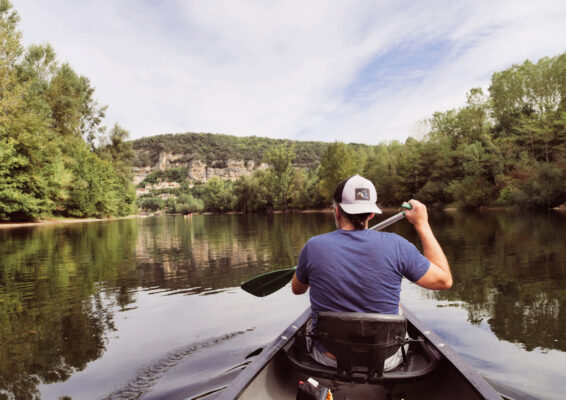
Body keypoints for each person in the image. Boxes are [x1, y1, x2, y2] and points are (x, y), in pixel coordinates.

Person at [291, 174, 452, 369]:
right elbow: (444, 281)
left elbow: (297, 290)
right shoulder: (398, 245)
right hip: (386, 360)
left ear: (336, 211)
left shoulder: (314, 246)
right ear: (372, 214)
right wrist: (422, 224)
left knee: (311, 316)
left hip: (329, 358)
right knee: (397, 304)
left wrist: (310, 267)